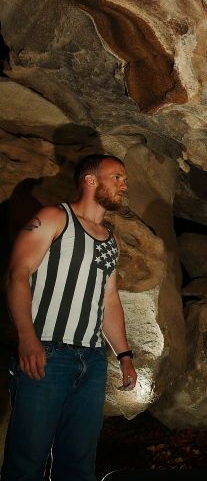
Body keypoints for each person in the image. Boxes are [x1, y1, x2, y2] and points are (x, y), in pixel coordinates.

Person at [2, 154, 138, 481]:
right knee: (26, 463)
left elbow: (109, 300)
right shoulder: (53, 218)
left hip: (91, 362)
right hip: (47, 354)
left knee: (78, 465)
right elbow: (16, 276)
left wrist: (124, 355)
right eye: (116, 177)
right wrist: (27, 338)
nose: (125, 184)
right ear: (91, 180)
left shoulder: (111, 242)